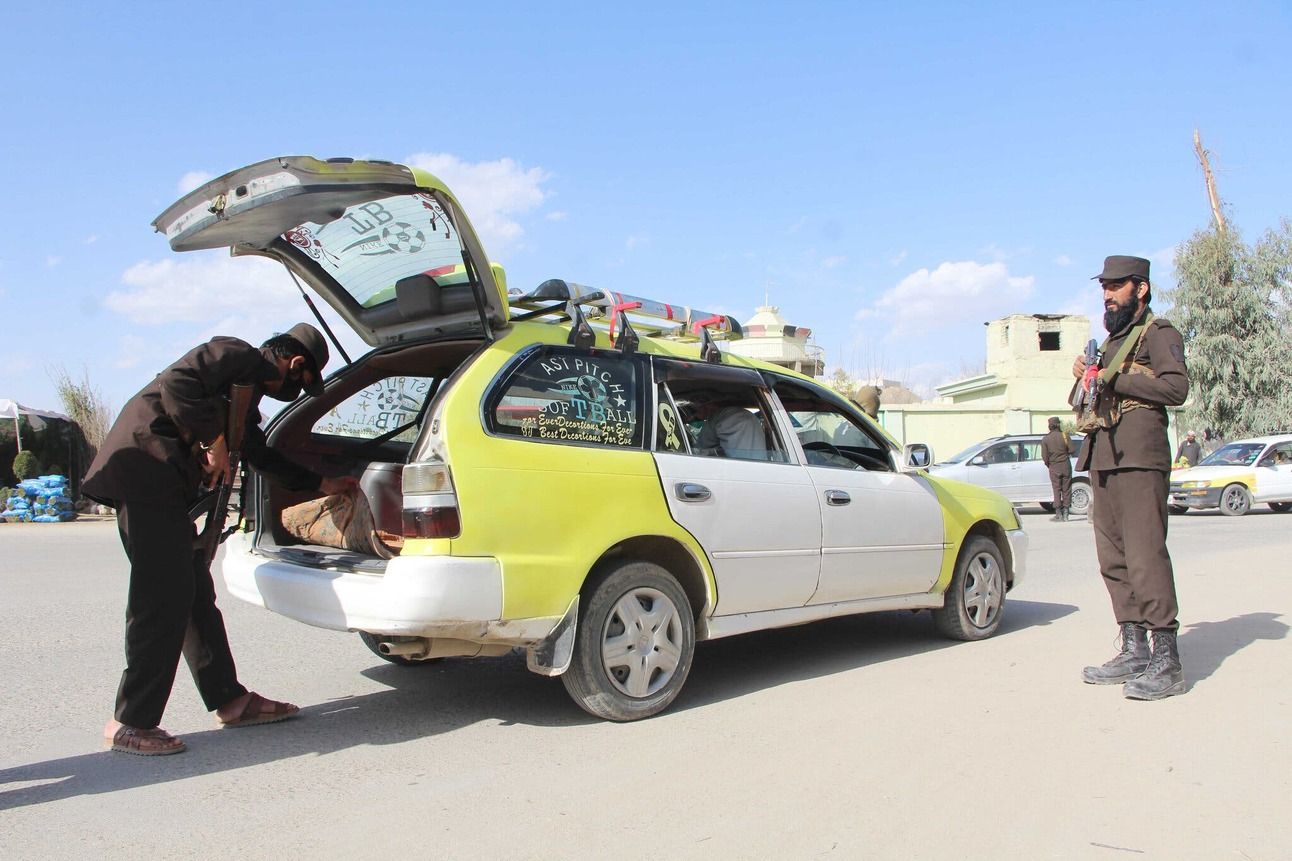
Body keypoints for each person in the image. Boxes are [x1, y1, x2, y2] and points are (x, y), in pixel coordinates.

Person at [83, 323, 359, 755]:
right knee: (162, 597)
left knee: (194, 593)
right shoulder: (236, 354)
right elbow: (177, 383)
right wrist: (213, 442)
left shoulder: (243, 399)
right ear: (295, 364)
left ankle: (230, 700)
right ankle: (130, 721)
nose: (295, 392)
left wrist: (323, 483)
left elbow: (260, 455)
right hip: (144, 475)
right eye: (302, 382)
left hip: (163, 488)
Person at [1072, 256, 1189, 700]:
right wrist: (1086, 377)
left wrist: (1116, 379)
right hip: (1104, 456)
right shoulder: (1110, 342)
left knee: (1145, 556)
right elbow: (1092, 395)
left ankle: (1167, 661)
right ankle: (1135, 649)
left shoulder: (1159, 333)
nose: (1107, 294)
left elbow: (1176, 388)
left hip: (1140, 456)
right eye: (1104, 286)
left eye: (1116, 286)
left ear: (1140, 288)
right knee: (1114, 559)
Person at [1041, 417, 1073, 521]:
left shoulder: (1046, 439)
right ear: (1059, 425)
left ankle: (1058, 514)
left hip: (1054, 467)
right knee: (1067, 489)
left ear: (1049, 426)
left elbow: (1044, 457)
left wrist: (1050, 465)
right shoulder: (1065, 436)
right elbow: (1072, 450)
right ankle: (1066, 514)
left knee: (1056, 489)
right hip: (1066, 466)